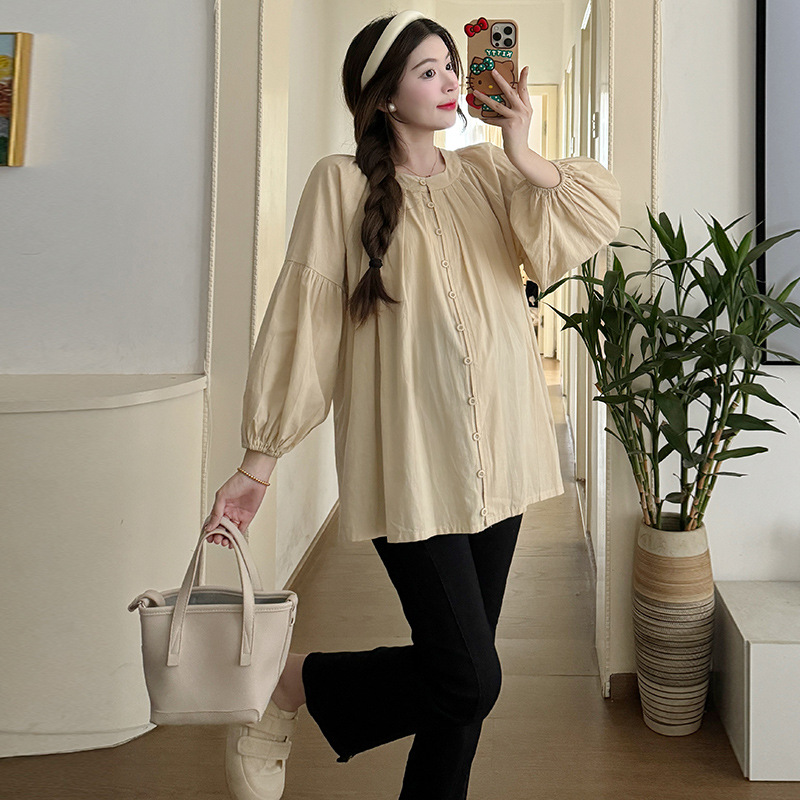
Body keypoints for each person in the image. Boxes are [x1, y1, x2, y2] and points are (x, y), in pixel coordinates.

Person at [203, 10, 622, 800]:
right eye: (428, 70)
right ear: (385, 95)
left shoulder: (489, 173)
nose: (451, 80)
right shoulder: (340, 183)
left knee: (459, 687)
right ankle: (292, 682)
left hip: (502, 451)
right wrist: (259, 461)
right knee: (468, 677)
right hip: (410, 457)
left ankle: (302, 692)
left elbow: (583, 223)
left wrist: (522, 147)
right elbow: (306, 318)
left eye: (450, 65)